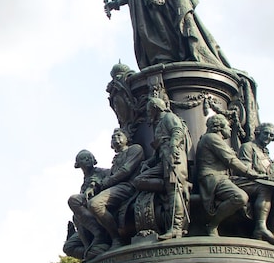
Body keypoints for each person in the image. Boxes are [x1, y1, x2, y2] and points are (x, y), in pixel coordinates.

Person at [195, 114, 264, 236]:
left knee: (262, 188)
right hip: (213, 178)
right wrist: (250, 173)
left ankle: (261, 227)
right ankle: (213, 224)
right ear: (219, 127)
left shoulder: (214, 139)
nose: (230, 129)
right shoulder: (211, 138)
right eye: (228, 126)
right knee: (240, 197)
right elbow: (231, 160)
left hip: (225, 178)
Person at [140, 97, 190, 240]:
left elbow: (177, 131)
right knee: (140, 180)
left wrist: (174, 146)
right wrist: (148, 163)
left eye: (149, 110)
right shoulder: (159, 122)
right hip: (163, 158)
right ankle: (172, 188)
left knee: (175, 189)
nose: (148, 113)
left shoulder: (169, 117)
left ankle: (176, 228)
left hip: (173, 157)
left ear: (155, 108)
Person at [88, 128, 145, 248]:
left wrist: (107, 182)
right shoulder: (116, 158)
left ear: (127, 138)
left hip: (128, 187)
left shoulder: (135, 149)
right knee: (78, 201)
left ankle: (116, 238)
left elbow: (126, 170)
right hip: (116, 187)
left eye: (119, 135)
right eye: (113, 137)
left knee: (95, 204)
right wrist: (94, 185)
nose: (115, 138)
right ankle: (98, 237)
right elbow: (108, 175)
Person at [236, 123, 274, 244]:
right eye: (265, 133)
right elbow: (245, 168)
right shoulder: (248, 147)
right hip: (247, 181)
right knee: (265, 188)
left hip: (264, 182)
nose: (268, 137)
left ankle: (270, 232)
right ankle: (260, 228)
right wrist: (262, 176)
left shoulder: (266, 153)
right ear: (258, 133)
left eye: (271, 135)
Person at [66, 150, 110, 259]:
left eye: (89, 157)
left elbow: (109, 183)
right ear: (77, 164)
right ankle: (92, 251)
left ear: (94, 159)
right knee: (68, 247)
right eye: (83, 158)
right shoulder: (84, 182)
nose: (87, 159)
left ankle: (100, 235)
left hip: (101, 214)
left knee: (74, 200)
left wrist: (95, 185)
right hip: (87, 221)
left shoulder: (104, 172)